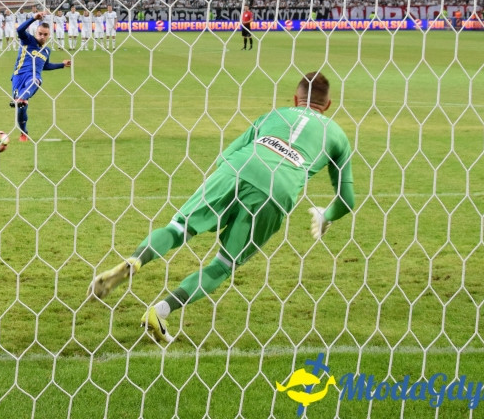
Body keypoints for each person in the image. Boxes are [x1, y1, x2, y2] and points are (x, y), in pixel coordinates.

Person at [88, 72, 355, 344]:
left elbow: (223, 157)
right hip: (277, 191)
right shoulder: (337, 135)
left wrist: (226, 186)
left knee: (178, 228)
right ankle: (160, 311)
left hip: (235, 169)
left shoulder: (274, 115)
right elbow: (347, 200)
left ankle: (136, 260)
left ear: (296, 99)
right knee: (223, 264)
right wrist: (325, 216)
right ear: (328, 104)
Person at [9, 12, 71, 142]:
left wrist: (62, 65)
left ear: (49, 35)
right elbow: (19, 30)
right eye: (40, 33)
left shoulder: (47, 51)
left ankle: (21, 98)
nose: (42, 36)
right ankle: (23, 132)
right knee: (21, 109)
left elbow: (45, 66)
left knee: (35, 81)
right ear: (36, 32)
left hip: (33, 78)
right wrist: (33, 18)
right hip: (18, 77)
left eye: (45, 34)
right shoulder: (28, 40)